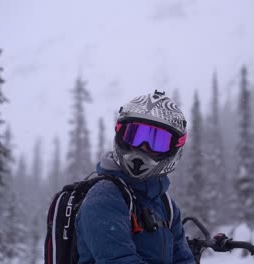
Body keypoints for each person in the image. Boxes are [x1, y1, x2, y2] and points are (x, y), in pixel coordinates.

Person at [75, 90, 195, 263]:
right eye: (135, 136)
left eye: (157, 142)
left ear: (173, 149)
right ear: (120, 135)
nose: (143, 148)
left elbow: (183, 259)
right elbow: (119, 260)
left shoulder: (165, 204)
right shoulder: (103, 197)